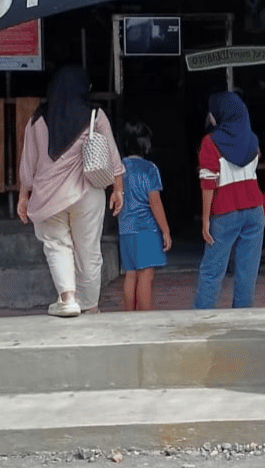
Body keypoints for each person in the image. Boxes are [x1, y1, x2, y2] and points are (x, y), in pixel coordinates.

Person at [17, 66, 124, 317]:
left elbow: (28, 162)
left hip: (48, 196)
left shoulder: (37, 119)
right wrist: (117, 189)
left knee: (57, 245)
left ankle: (68, 299)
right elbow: (112, 155)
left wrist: (23, 196)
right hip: (87, 193)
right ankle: (90, 307)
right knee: (88, 251)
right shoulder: (95, 115)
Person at [192, 90, 265, 310]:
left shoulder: (210, 142)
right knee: (247, 271)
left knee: (212, 270)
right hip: (255, 211)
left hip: (225, 212)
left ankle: (203, 319)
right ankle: (242, 319)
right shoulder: (252, 139)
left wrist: (205, 219)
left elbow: (208, 183)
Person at [118, 121, 172, 311]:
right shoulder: (149, 168)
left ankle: (129, 315)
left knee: (130, 274)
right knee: (146, 275)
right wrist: (165, 230)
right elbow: (155, 203)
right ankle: (145, 318)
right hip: (146, 229)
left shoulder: (119, 168)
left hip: (125, 229)